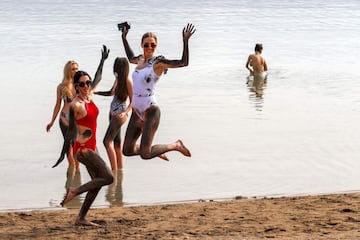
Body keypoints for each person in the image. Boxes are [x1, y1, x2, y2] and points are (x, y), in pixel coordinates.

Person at [57, 45, 114, 226]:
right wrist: (63, 154)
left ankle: (80, 218)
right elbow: (71, 132)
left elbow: (97, 78)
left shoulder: (89, 95)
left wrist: (102, 61)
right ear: (75, 86)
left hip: (92, 145)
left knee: (97, 182)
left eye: (87, 83)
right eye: (81, 84)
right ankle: (74, 191)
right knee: (109, 177)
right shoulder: (75, 105)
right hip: (82, 148)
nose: (86, 86)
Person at [120, 23, 195, 160]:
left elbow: (183, 63)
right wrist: (124, 38)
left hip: (150, 108)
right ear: (142, 45)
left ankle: (175, 145)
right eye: (146, 44)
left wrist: (185, 41)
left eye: (152, 45)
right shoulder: (139, 60)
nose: (149, 48)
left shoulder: (158, 63)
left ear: (156, 46)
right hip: (136, 109)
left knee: (145, 155)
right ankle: (154, 150)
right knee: (127, 150)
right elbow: (130, 57)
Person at [94, 57, 133, 171]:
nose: (113, 68)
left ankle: (113, 171)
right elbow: (111, 93)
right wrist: (96, 92)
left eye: (115, 66)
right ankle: (120, 170)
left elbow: (133, 101)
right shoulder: (117, 79)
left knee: (106, 141)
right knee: (117, 143)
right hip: (112, 113)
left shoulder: (127, 81)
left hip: (119, 113)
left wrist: (125, 112)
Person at [46, 60, 79, 171]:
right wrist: (52, 121)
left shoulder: (81, 84)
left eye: (76, 69)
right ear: (67, 71)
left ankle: (77, 171)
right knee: (68, 147)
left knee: (77, 146)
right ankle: (72, 169)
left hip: (77, 120)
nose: (75, 71)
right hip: (64, 119)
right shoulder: (61, 87)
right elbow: (58, 105)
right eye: (73, 69)